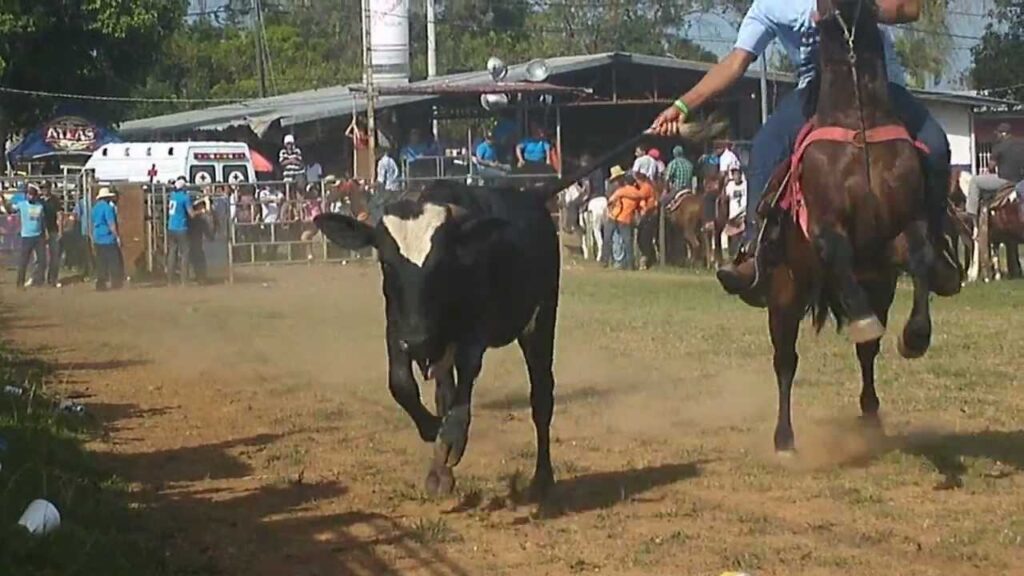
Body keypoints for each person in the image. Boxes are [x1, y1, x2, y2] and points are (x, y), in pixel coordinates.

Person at [650, 0, 959, 299]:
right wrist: (682, 105)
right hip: (814, 91)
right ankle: (754, 248)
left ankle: (935, 243)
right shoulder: (769, 5)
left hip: (880, 83)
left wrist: (860, 6)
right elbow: (735, 62)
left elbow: (910, 7)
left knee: (936, 145)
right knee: (764, 149)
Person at [967, 123, 1024, 218]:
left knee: (975, 181)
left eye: (997, 134)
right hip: (1020, 180)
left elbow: (991, 166)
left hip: (1004, 180)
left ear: (1003, 134)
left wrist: (988, 170)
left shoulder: (999, 146)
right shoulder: (1021, 143)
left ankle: (971, 213)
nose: (996, 136)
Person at [604, 166, 650, 270]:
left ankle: (606, 261)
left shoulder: (621, 191)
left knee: (608, 239)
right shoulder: (638, 194)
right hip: (627, 218)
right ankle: (630, 264)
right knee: (627, 242)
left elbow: (610, 200)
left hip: (615, 216)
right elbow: (642, 206)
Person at [11, 184, 47, 289]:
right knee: (24, 261)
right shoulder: (22, 205)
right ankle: (20, 283)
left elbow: (42, 221)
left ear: (35, 196)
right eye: (29, 194)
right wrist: (3, 201)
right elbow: (11, 210)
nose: (30, 196)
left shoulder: (40, 206)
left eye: (32, 195)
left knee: (42, 260)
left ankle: (39, 281)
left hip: (38, 235)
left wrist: (45, 233)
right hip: (27, 236)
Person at [91, 187, 124, 291]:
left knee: (101, 262)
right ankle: (115, 282)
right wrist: (117, 236)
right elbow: (111, 224)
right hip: (108, 238)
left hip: (97, 237)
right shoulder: (108, 208)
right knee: (114, 261)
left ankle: (100, 283)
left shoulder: (95, 208)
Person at [166, 178, 193, 286]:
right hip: (181, 228)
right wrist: (201, 211)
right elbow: (191, 214)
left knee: (172, 253)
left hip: (171, 227)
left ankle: (170, 280)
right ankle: (184, 280)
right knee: (185, 253)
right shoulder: (185, 197)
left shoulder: (172, 195)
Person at [633, 170, 660, 269]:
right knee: (643, 238)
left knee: (644, 239)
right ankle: (650, 259)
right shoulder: (647, 187)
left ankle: (646, 260)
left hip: (649, 215)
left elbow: (637, 196)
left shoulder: (645, 187)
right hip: (647, 214)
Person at [39, 182, 62, 286]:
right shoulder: (39, 201)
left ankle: (53, 279)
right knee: (40, 257)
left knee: (55, 256)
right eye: (43, 188)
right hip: (40, 231)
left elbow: (59, 216)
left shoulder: (55, 200)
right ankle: (39, 278)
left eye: (46, 188)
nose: (44, 190)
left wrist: (60, 231)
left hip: (53, 230)